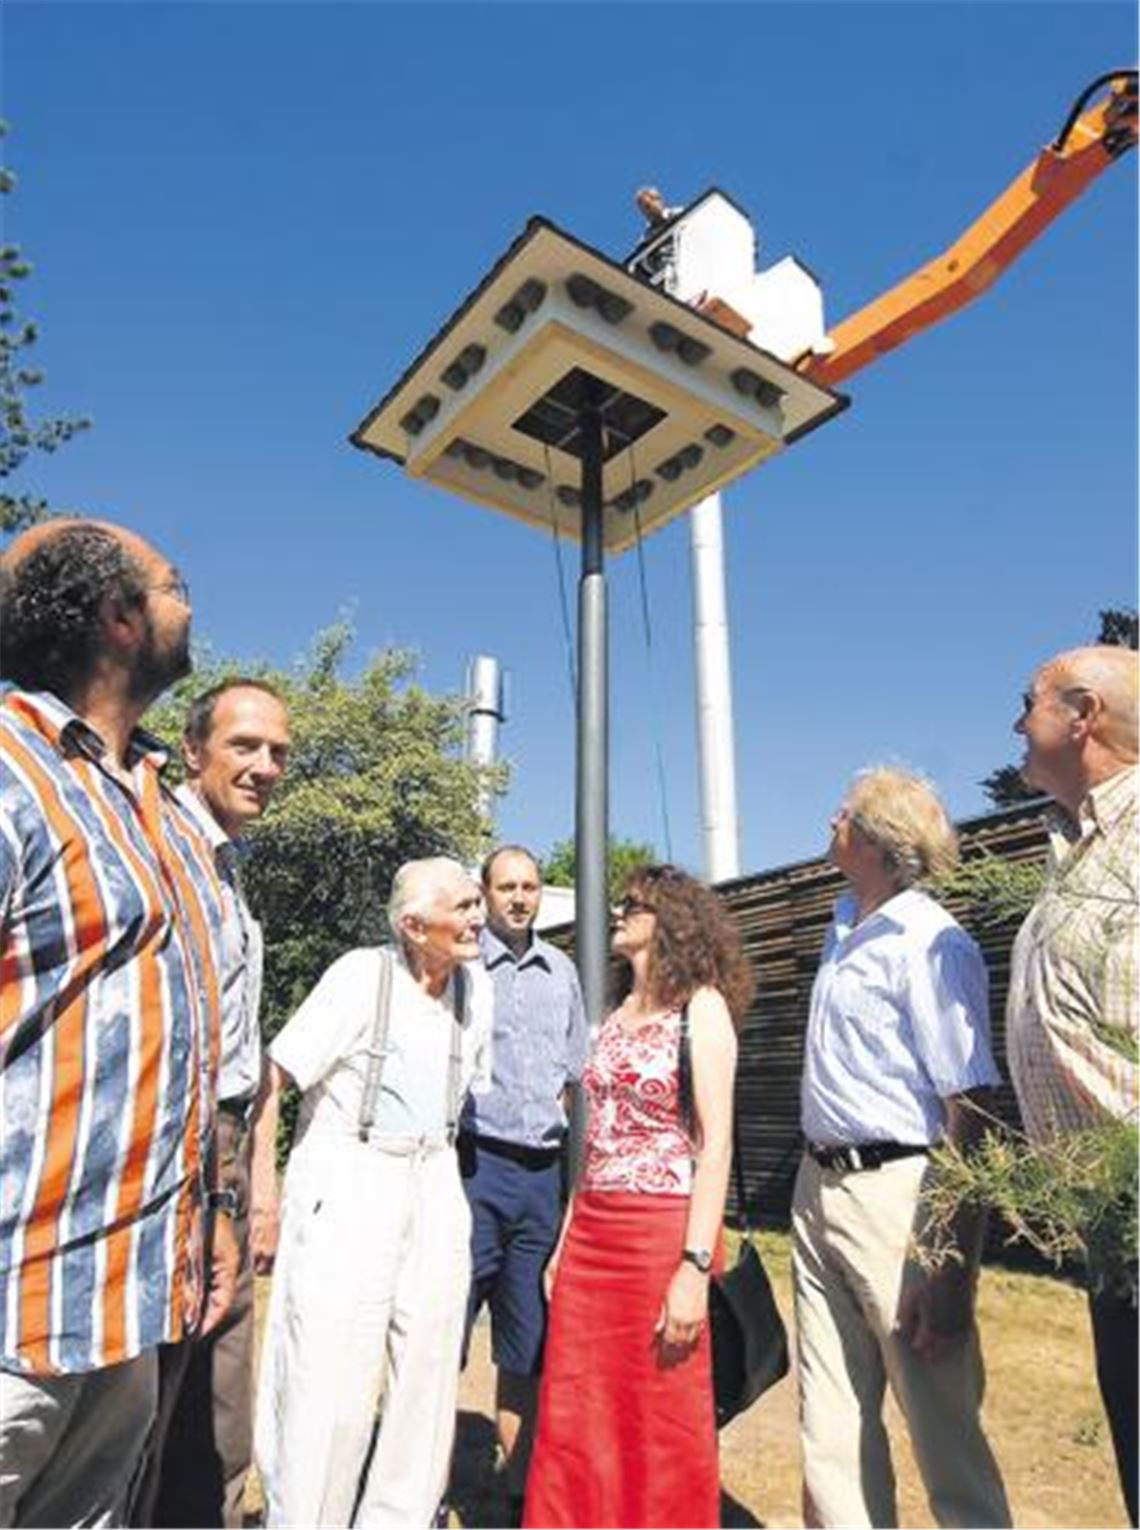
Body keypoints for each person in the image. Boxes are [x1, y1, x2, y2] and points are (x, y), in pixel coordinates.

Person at [0, 519, 236, 1528]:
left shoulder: (163, 807)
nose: (193, 602)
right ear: (119, 617)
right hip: (16, 1313)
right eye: (174, 584)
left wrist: (215, 1211)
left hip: (129, 1307)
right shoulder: (10, 770)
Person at [792, 766, 1010, 1529]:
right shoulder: (842, 924)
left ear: (881, 839)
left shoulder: (931, 942)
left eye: (845, 812)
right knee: (829, 1426)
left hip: (900, 1197)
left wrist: (950, 1265)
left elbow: (971, 1105)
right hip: (816, 1185)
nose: (832, 820)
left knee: (941, 1424)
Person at [254, 856, 493, 1528]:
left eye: (476, 903)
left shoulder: (477, 990)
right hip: (352, 1172)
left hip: (434, 1170)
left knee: (429, 1365)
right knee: (330, 1370)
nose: (478, 918)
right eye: (463, 906)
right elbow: (273, 1079)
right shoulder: (360, 976)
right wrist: (264, 1198)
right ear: (414, 925)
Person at [525, 863, 751, 1530]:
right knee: (576, 1409)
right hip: (592, 1233)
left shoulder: (701, 1010)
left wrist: (694, 1267)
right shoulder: (614, 1015)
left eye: (633, 905)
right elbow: (595, 1142)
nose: (618, 913)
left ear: (671, 922)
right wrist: (566, 1241)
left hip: (659, 1236)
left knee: (659, 1413)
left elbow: (715, 1144)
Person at [136, 680, 291, 1528]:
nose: (265, 766)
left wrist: (256, 1181)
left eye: (278, 753)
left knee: (221, 1401)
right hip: (172, 1149)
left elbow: (246, 1052)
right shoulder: (159, 849)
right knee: (150, 1400)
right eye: (245, 746)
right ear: (193, 751)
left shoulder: (233, 872)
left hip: (225, 1148)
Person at [1005, 646, 1138, 1526]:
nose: (1018, 724)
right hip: (1109, 1216)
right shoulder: (1075, 844)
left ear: (1083, 715)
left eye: (1031, 703)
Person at [459, 846, 587, 1524]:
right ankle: (420, 1485)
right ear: (484, 893)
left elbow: (573, 1078)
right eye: (506, 886)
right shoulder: (460, 964)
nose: (518, 897)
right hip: (473, 1168)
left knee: (527, 1341)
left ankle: (519, 1490)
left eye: (529, 887)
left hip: (540, 1179)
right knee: (443, 1328)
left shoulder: (561, 971)